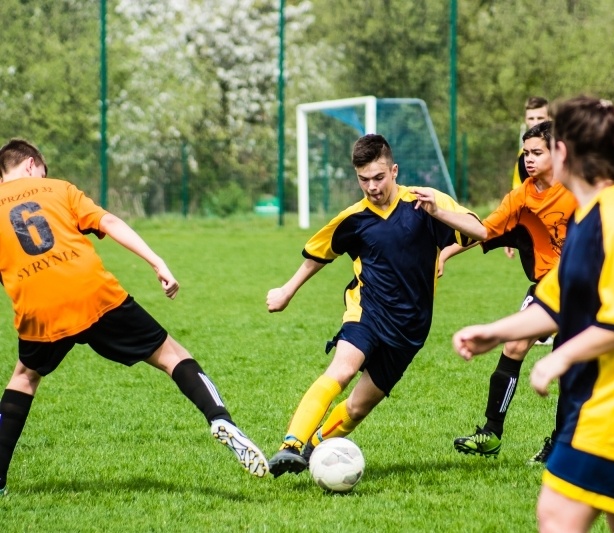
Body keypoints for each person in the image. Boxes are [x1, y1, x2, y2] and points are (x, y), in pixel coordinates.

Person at [452, 96, 614, 533]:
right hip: (612, 400)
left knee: (557, 513)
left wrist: (559, 358)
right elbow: (554, 302)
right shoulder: (588, 217)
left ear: (565, 153)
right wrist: (494, 333)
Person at [0, 139, 268, 497]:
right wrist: (157, 262)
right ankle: (220, 418)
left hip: (38, 305)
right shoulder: (58, 188)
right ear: (32, 165)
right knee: (172, 355)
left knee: (25, 377)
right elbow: (108, 221)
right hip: (93, 291)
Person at [264, 133, 483, 478]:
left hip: (411, 327)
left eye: (379, 177)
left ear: (394, 171)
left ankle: (314, 450)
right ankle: (289, 446)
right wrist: (287, 291)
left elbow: (480, 230)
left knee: (358, 406)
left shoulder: (424, 202)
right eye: (363, 180)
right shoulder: (353, 218)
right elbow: (319, 255)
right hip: (366, 312)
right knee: (342, 370)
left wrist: (444, 241)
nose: (372, 187)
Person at [436, 121, 576, 463]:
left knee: (568, 365)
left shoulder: (578, 188)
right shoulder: (521, 196)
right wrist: (445, 247)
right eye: (525, 153)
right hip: (547, 286)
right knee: (514, 345)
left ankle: (561, 443)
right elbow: (485, 229)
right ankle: (491, 433)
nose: (528, 159)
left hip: (582, 286)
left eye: (537, 153)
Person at [505, 96, 551, 260]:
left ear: (549, 119)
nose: (535, 122)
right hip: (538, 228)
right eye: (531, 118)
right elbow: (518, 194)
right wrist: (510, 230)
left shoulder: (562, 149)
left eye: (540, 118)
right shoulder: (522, 157)